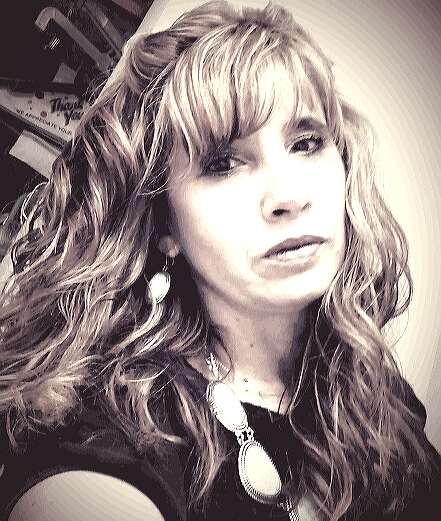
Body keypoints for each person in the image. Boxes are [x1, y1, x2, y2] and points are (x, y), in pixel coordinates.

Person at [0, 1, 439, 520]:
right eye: (224, 163)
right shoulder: (106, 445)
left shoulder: (365, 380)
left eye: (306, 143)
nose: (289, 195)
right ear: (164, 226)